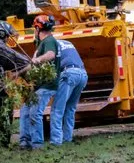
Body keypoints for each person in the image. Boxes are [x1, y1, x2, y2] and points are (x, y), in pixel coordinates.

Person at [31, 14, 88, 146]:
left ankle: (56, 141)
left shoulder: (50, 45)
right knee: (70, 109)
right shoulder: (67, 42)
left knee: (57, 109)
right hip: (82, 74)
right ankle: (67, 138)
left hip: (68, 74)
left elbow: (50, 62)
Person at [18, 15, 59, 149]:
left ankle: (37, 144)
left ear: (37, 28)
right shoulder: (41, 44)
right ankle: (24, 141)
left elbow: (51, 55)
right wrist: (18, 73)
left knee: (35, 112)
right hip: (38, 86)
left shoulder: (49, 41)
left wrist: (38, 60)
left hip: (48, 85)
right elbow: (32, 63)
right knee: (25, 110)